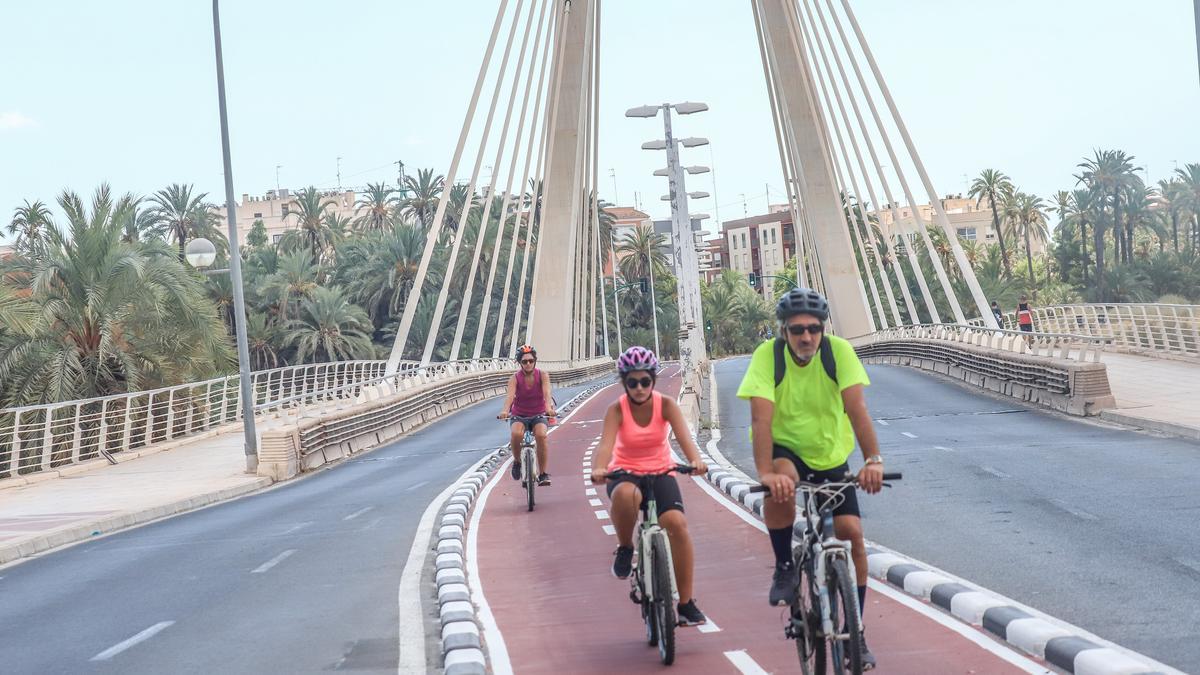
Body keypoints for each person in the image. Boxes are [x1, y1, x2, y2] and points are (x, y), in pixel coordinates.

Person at [736, 287, 884, 669]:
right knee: (781, 485)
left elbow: (857, 409)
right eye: (798, 329)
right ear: (784, 330)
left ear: (822, 329)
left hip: (830, 453)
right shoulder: (768, 358)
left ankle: (858, 631)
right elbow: (760, 419)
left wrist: (873, 460)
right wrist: (766, 473)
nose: (806, 337)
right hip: (786, 448)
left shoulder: (839, 353)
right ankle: (785, 564)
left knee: (852, 534)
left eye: (814, 329)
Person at [590, 346, 709, 627]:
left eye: (645, 381)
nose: (640, 387)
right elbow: (605, 446)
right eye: (633, 382)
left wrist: (696, 462)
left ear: (653, 380)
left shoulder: (666, 405)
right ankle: (625, 547)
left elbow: (685, 440)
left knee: (677, 524)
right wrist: (600, 468)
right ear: (624, 383)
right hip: (625, 472)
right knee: (626, 495)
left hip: (661, 471)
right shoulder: (616, 410)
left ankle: (686, 603)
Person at [498, 345, 556, 486]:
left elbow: (547, 394)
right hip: (520, 414)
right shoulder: (515, 378)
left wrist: (548, 409)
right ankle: (517, 462)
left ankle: (542, 474)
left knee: (541, 436)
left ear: (535, 361)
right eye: (524, 361)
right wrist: (505, 411)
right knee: (516, 434)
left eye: (531, 360)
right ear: (520, 363)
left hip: (539, 413)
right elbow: (510, 397)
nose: (528, 364)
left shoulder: (542, 375)